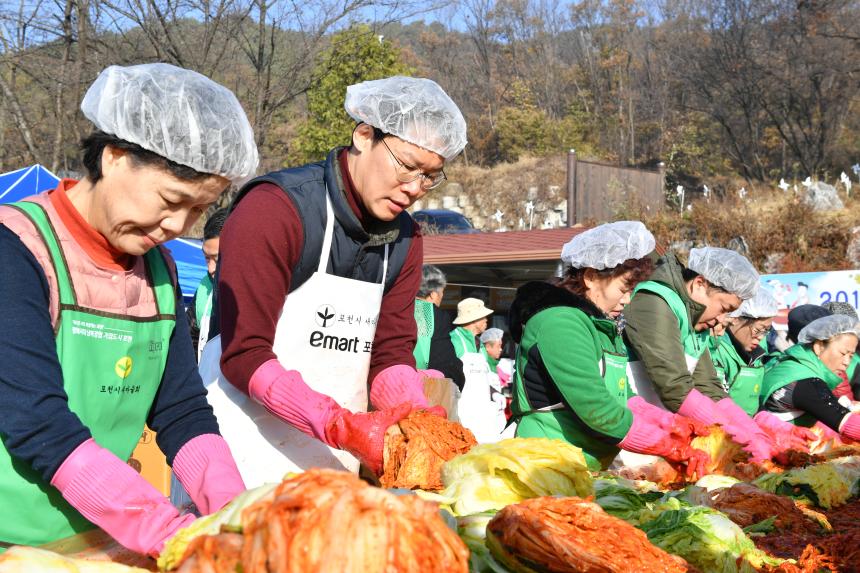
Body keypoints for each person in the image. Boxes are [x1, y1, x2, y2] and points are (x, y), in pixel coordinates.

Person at [0, 64, 256, 554]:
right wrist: (168, 532)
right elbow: (36, 420)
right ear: (115, 157)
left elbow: (180, 409)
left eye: (197, 210)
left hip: (94, 540)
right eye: (170, 198)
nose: (177, 225)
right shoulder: (18, 248)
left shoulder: (158, 267)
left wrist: (233, 515)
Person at [200, 76, 467, 486]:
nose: (415, 188)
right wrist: (339, 426)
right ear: (364, 135)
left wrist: (413, 417)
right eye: (407, 166)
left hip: (336, 462)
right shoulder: (276, 209)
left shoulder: (406, 239)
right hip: (241, 453)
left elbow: (390, 352)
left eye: (430, 176)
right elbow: (244, 354)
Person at [508, 222, 709, 474]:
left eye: (632, 290)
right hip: (543, 465)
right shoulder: (560, 323)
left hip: (581, 467)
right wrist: (669, 447)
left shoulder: (601, 325)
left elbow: (619, 394)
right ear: (591, 277)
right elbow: (597, 409)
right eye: (624, 288)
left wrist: (669, 423)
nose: (627, 300)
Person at [623, 247, 782, 462]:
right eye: (724, 308)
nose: (722, 320)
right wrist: (733, 438)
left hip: (667, 438)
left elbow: (709, 386)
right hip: (633, 436)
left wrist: (754, 433)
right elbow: (674, 386)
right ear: (700, 284)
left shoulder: (697, 322)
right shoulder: (655, 301)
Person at [712, 289, 816, 451]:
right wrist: (752, 436)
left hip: (746, 439)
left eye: (766, 331)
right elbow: (715, 405)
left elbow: (753, 406)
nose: (760, 337)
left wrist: (778, 428)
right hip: (719, 442)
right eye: (758, 330)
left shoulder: (757, 355)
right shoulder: (717, 352)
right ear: (735, 319)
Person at [761, 314, 860, 442]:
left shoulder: (794, 364)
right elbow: (846, 423)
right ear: (819, 346)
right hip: (768, 450)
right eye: (842, 353)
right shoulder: (804, 380)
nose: (847, 362)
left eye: (851, 356)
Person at [188, 208, 229, 361]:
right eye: (206, 258)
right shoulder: (205, 287)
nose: (210, 269)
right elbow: (189, 339)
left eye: (217, 259)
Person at [413, 265, 463, 388]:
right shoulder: (435, 316)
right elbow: (446, 364)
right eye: (442, 293)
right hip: (419, 391)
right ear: (433, 294)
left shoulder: (395, 308)